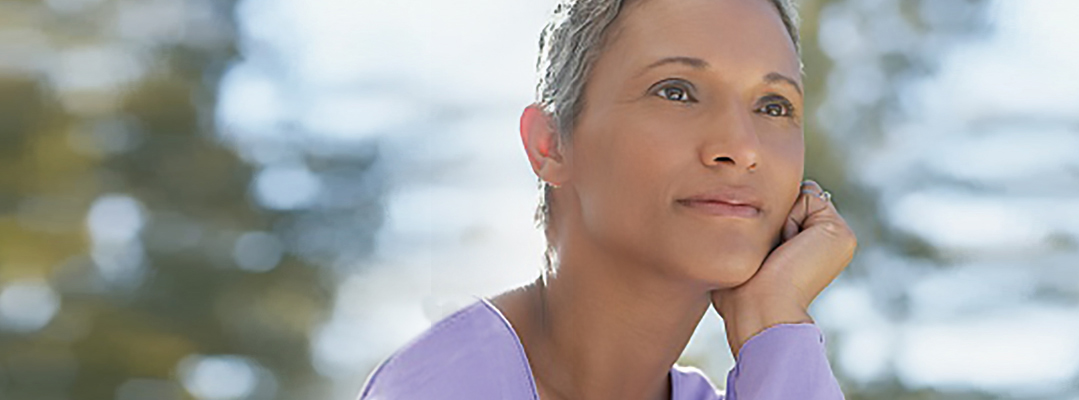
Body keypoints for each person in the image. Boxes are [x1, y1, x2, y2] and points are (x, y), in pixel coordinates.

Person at [358, 0, 855, 398]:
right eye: (676, 91)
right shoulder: (443, 386)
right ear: (550, 144)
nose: (742, 148)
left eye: (774, 105)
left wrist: (773, 319)